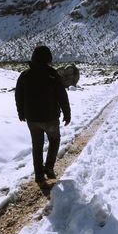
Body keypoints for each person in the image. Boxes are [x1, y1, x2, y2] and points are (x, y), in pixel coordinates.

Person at [15, 46, 71, 186]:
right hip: (50, 118)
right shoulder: (52, 75)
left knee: (37, 145)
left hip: (32, 119)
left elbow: (18, 96)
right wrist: (67, 113)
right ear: (48, 59)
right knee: (54, 140)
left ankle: (39, 175)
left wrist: (21, 112)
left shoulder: (25, 75)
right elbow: (62, 96)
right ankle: (49, 168)